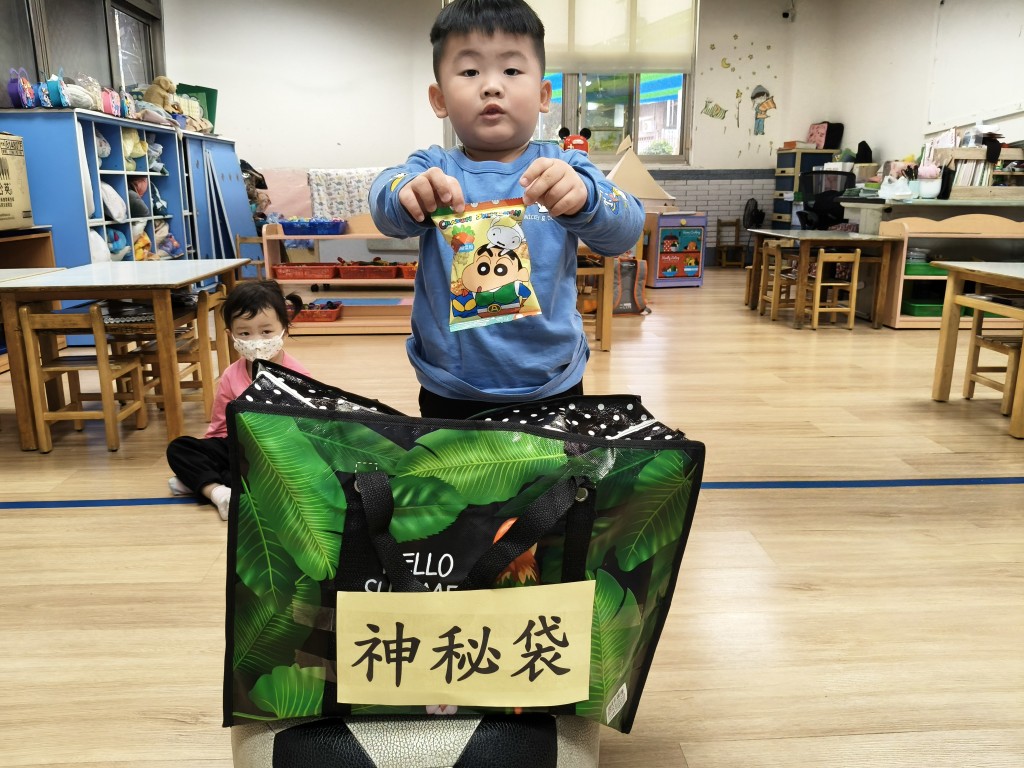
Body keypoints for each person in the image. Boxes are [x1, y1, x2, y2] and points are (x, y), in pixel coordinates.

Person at [369, 0, 645, 420]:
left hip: (553, 382)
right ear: (440, 99)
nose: (492, 86)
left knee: (553, 469)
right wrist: (407, 193)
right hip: (451, 386)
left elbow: (626, 228)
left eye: (512, 70)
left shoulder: (565, 167)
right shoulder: (432, 168)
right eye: (470, 71)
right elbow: (384, 201)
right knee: (453, 467)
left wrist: (587, 197)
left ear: (543, 95)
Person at [166, 280, 309, 520]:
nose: (256, 340)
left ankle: (202, 482)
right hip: (239, 449)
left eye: (266, 332)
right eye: (244, 333)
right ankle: (219, 493)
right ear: (230, 335)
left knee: (286, 475)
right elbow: (220, 429)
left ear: (284, 328)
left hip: (277, 454)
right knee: (180, 448)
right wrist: (211, 453)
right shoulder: (231, 375)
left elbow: (305, 432)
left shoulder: (298, 375)